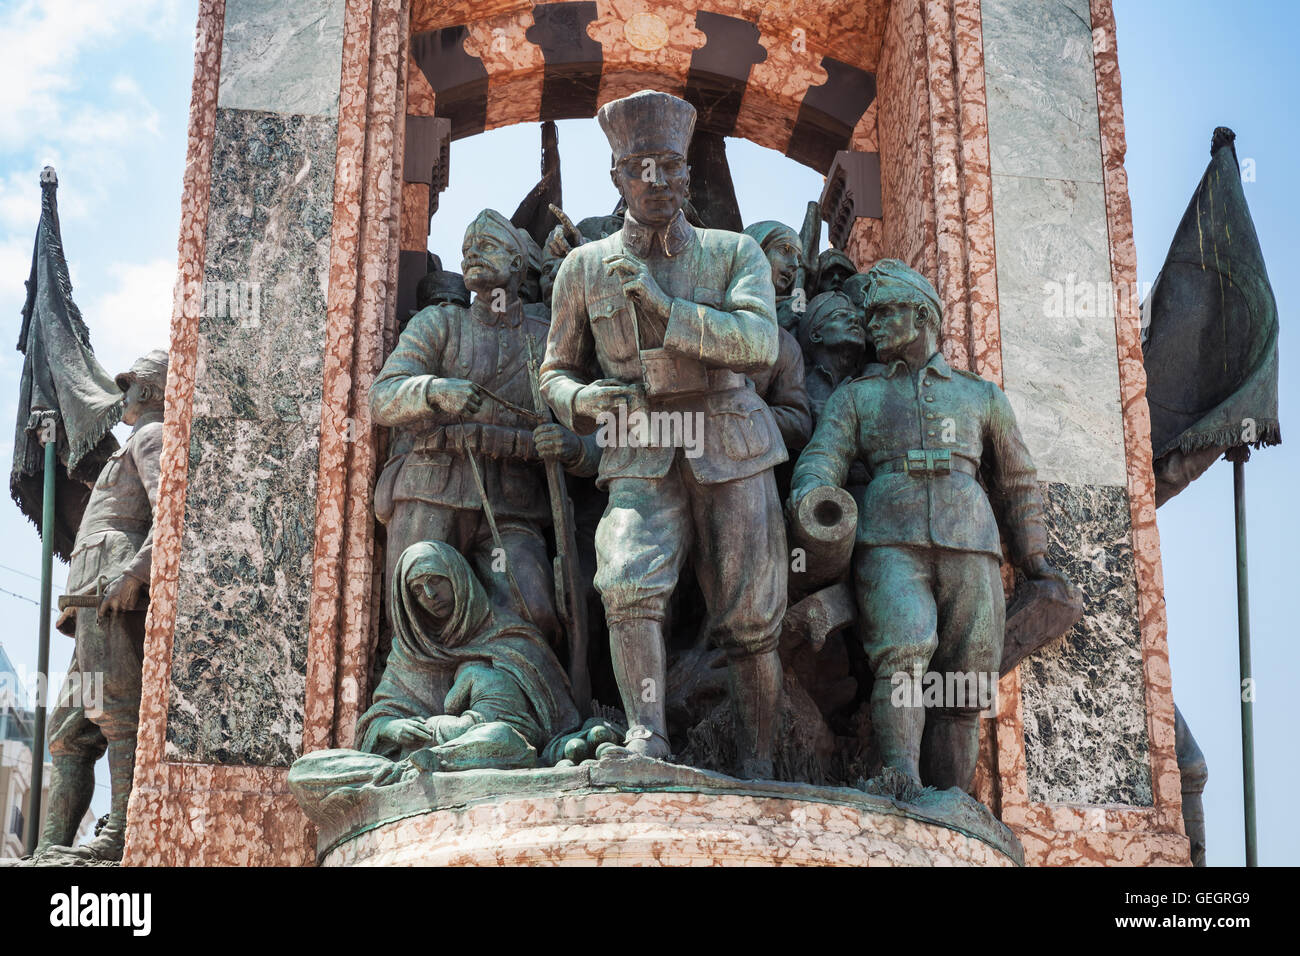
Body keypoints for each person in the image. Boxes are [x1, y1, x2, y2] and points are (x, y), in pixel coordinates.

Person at [540, 90, 787, 778]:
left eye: (671, 167)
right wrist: (584, 399)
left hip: (730, 444)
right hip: (640, 446)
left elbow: (762, 343)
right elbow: (555, 372)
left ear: (687, 175)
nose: (657, 182)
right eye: (640, 168)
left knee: (749, 621)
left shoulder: (734, 253)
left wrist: (663, 306)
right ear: (617, 177)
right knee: (624, 582)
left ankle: (759, 761)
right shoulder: (582, 268)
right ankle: (647, 737)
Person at [790, 260, 1064, 800]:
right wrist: (814, 500)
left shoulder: (981, 396)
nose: (873, 325)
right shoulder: (856, 395)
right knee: (903, 651)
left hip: (971, 541)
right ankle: (901, 778)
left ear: (921, 316)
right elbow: (821, 460)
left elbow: (1018, 483)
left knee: (965, 681)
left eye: (885, 313)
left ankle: (954, 804)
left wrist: (1034, 560)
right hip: (889, 540)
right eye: (869, 315)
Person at [371, 209, 599, 646]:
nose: (473, 253)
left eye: (488, 246)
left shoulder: (548, 335)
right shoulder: (438, 324)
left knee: (535, 610)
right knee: (421, 619)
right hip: (430, 489)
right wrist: (435, 391)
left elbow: (592, 420)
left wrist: (572, 446)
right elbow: (382, 397)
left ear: (518, 265)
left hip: (513, 503)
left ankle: (513, 702)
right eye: (467, 248)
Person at [287, 541, 582, 817]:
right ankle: (405, 774)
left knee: (501, 739)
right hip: (412, 754)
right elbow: (379, 719)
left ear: (457, 576)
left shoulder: (513, 639)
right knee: (304, 771)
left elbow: (548, 729)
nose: (429, 595)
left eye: (435, 579)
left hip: (488, 750)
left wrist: (460, 727)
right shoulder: (409, 652)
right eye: (416, 590)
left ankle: (421, 770)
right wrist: (392, 728)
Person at [35, 350, 166, 863]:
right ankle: (51, 847)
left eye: (131, 385)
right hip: (89, 594)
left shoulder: (154, 437)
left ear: (151, 391)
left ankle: (121, 836)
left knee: (116, 712)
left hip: (113, 590)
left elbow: (170, 511)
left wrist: (137, 574)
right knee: (69, 729)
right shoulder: (132, 444)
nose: (123, 395)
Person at [797, 290, 868, 419]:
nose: (854, 319)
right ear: (815, 335)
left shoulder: (871, 380)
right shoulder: (799, 388)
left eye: (857, 319)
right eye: (839, 316)